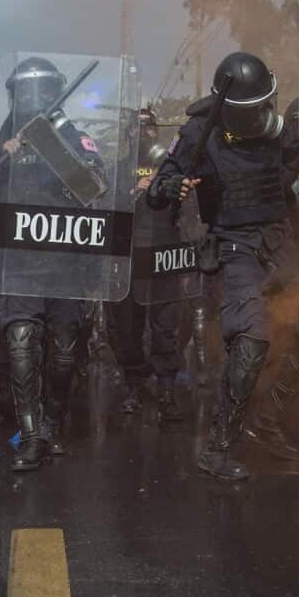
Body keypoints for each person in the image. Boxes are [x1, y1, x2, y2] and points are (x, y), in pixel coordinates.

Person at [147, 52, 299, 481]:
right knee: (253, 338)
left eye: (266, 105)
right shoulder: (199, 133)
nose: (262, 114)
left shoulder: (278, 131)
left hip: (278, 240)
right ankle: (219, 446)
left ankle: (267, 422)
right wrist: (173, 186)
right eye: (252, 109)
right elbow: (158, 188)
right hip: (235, 245)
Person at [0, 57, 105, 472]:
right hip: (19, 260)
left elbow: (94, 188)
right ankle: (31, 433)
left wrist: (49, 144)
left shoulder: (75, 137)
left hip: (64, 261)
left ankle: (53, 421)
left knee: (62, 352)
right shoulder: (7, 139)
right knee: (20, 339)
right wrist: (0, 160)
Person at [107, 107, 183, 420]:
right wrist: (130, 193)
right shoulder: (118, 169)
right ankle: (133, 385)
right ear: (128, 134)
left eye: (148, 129)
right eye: (136, 129)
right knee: (128, 327)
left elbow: (190, 211)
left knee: (166, 326)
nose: (143, 135)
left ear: (156, 132)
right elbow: (104, 207)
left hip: (165, 253)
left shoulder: (170, 166)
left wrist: (167, 184)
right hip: (130, 256)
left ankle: (167, 391)